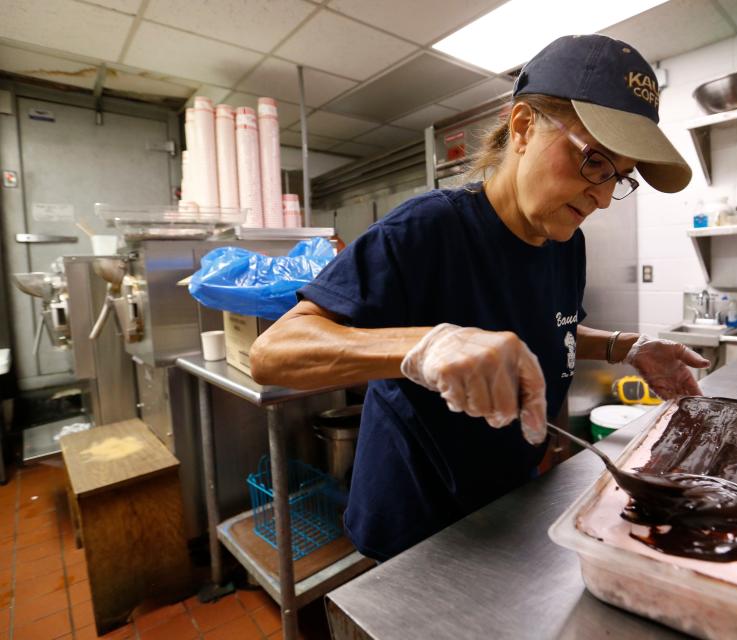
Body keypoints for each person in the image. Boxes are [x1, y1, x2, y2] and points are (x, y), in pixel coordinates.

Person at [250, 34, 709, 562]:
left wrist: (625, 347)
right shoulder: (429, 227)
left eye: (620, 178)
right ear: (522, 127)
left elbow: (549, 327)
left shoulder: (567, 242)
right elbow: (274, 352)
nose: (604, 196)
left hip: (505, 505)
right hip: (417, 520)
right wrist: (428, 346)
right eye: (595, 161)